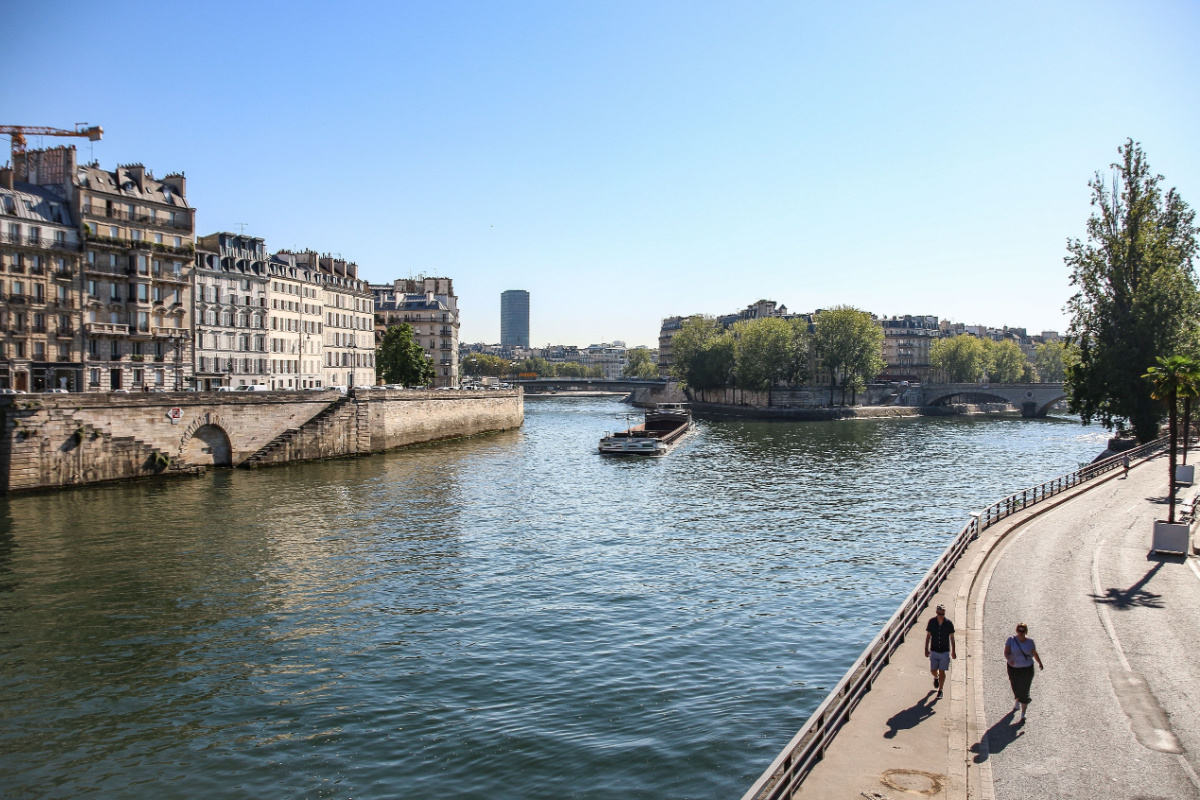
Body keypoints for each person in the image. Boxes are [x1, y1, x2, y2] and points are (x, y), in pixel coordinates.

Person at [1004, 622, 1044, 721]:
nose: (1021, 633)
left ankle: (1023, 713)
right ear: (1016, 631)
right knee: (1015, 687)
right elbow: (1006, 652)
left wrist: (1039, 663)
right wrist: (1009, 660)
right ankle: (1018, 699)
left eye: (1023, 631)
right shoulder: (1011, 640)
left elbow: (1034, 653)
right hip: (1013, 668)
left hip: (1027, 669)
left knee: (1025, 690)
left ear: (1026, 631)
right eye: (1019, 631)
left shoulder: (1030, 642)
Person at [924, 604, 956, 699]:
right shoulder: (932, 622)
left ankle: (940, 690)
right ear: (936, 613)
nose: (941, 616)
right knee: (933, 670)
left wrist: (953, 651)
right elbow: (928, 636)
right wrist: (926, 648)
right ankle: (936, 677)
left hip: (944, 651)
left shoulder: (949, 624)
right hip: (934, 650)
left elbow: (952, 638)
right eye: (939, 614)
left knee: (942, 671)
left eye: (943, 614)